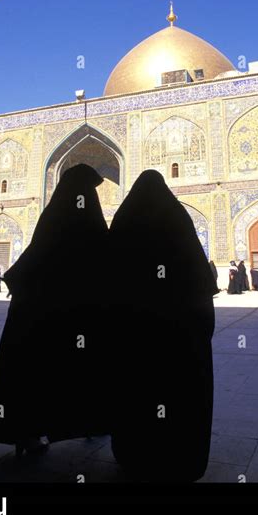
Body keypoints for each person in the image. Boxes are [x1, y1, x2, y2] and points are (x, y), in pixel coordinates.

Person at [0, 164, 111, 455]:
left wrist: (19, 280)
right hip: (77, 313)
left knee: (32, 372)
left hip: (37, 312)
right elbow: (104, 259)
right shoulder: (89, 218)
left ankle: (24, 433)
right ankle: (88, 421)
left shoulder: (52, 216)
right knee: (79, 369)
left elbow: (36, 252)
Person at [109, 170, 217, 482]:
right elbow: (199, 280)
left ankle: (135, 455)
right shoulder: (176, 219)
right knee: (179, 394)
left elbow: (108, 277)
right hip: (180, 334)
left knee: (137, 393)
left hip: (133, 334)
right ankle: (182, 458)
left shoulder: (125, 220)